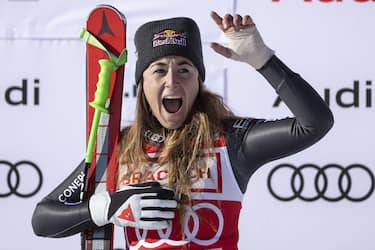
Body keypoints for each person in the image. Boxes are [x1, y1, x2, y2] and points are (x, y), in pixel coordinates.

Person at [32, 11, 334, 250]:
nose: (172, 82)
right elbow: (44, 218)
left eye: (185, 70)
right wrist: (106, 208)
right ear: (142, 85)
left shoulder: (230, 141)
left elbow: (314, 124)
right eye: (160, 70)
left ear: (198, 83)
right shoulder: (120, 147)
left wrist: (264, 61)